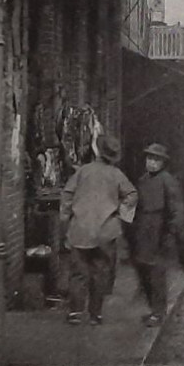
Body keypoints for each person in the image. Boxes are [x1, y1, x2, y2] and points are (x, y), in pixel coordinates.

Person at [59, 134, 137, 325]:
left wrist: (65, 220)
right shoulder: (117, 174)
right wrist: (120, 212)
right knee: (100, 273)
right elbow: (132, 194)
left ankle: (76, 313)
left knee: (78, 273)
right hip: (106, 232)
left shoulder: (82, 171)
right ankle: (95, 314)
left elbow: (67, 196)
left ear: (97, 150)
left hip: (80, 229)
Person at [133, 142, 184, 327]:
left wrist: (171, 233)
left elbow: (177, 210)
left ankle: (158, 312)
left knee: (156, 274)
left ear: (163, 163)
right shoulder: (143, 180)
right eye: (149, 158)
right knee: (143, 271)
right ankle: (152, 309)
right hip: (143, 230)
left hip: (159, 230)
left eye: (156, 159)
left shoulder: (167, 180)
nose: (152, 162)